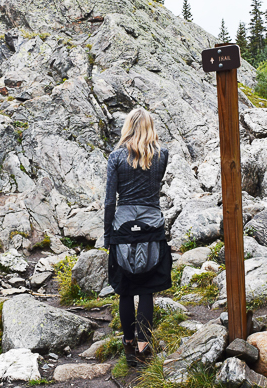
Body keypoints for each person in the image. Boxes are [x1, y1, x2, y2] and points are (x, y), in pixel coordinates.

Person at [103, 109, 171, 366]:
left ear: (127, 126)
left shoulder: (116, 157)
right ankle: (145, 346)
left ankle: (129, 344)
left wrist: (108, 234)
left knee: (125, 288)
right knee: (146, 288)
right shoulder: (162, 155)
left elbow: (111, 200)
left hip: (122, 225)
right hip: (152, 223)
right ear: (151, 126)